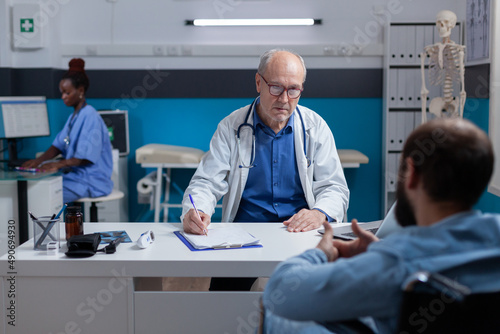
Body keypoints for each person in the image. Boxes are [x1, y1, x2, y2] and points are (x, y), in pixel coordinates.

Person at [261, 118, 500, 333]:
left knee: (281, 318)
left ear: (413, 174)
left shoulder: (398, 262)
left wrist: (320, 254)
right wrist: (379, 253)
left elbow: (279, 294)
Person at [181, 49, 349, 235]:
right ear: (259, 83)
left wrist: (319, 213)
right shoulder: (231, 127)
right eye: (276, 87)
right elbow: (207, 182)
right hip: (244, 233)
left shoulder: (315, 127)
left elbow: (334, 188)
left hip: (300, 232)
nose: (284, 99)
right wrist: (197, 210)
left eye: (293, 89)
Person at [22, 58, 113, 203]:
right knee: (36, 189)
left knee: (43, 196)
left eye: (67, 93)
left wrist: (57, 164)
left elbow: (83, 158)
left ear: (81, 91)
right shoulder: (74, 117)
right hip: (74, 176)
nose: (63, 97)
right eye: (62, 92)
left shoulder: (90, 115)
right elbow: (57, 146)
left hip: (90, 181)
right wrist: (37, 162)